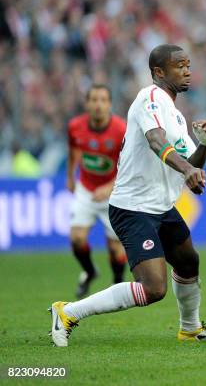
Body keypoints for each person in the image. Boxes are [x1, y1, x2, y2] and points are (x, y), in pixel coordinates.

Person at [50, 44, 206, 346]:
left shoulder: (174, 115)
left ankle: (190, 328)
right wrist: (187, 170)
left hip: (161, 206)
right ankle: (67, 312)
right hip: (133, 208)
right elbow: (155, 141)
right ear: (159, 72)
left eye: (188, 65)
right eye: (179, 66)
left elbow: (190, 164)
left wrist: (204, 145)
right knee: (153, 288)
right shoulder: (149, 98)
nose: (187, 71)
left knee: (188, 262)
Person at [66, 84, 128, 298]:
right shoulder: (75, 126)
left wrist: (109, 187)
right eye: (94, 100)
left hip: (113, 192)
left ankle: (118, 284)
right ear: (87, 103)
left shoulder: (121, 130)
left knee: (115, 249)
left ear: (109, 104)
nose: (98, 105)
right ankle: (90, 271)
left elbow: (130, 165)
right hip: (86, 188)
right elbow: (73, 149)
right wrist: (70, 176)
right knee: (77, 239)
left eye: (103, 100)